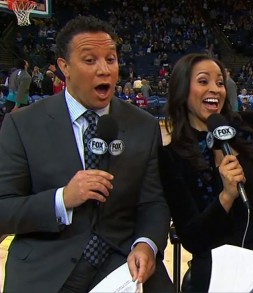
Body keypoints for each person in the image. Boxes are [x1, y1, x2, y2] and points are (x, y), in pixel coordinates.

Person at [0, 16, 173, 292]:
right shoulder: (22, 125)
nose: (104, 70)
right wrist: (62, 199)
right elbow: (4, 209)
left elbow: (154, 202)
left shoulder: (144, 125)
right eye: (90, 60)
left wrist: (147, 244)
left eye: (111, 59)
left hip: (123, 262)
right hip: (47, 267)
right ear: (64, 67)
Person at [159, 53, 253, 292]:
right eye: (203, 81)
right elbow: (192, 238)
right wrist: (226, 197)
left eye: (220, 82)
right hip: (218, 262)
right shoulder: (172, 156)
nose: (215, 89)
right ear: (182, 90)